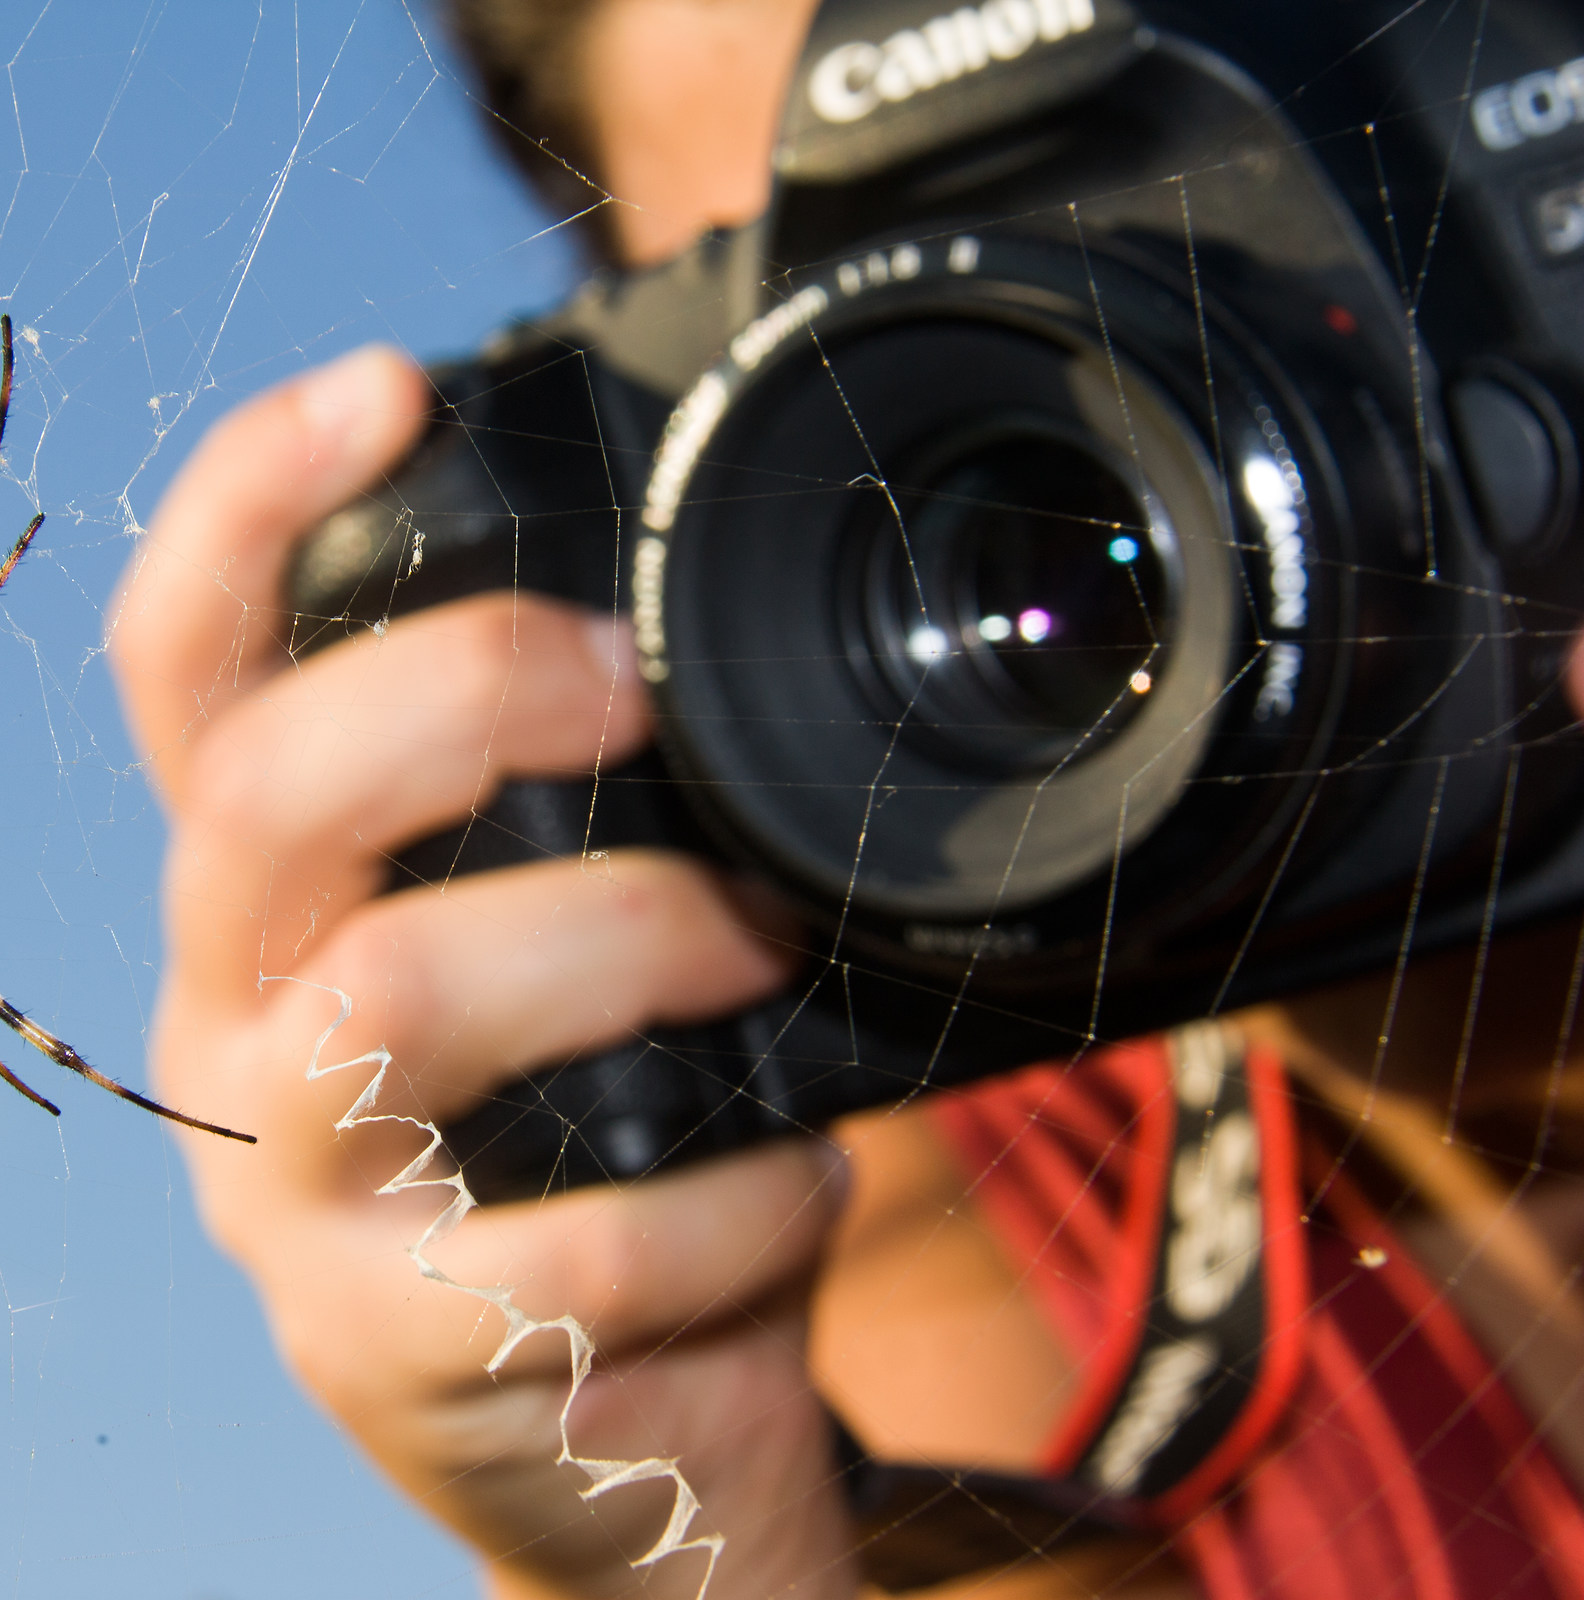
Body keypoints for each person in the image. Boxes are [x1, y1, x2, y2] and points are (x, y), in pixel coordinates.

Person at [106, 3, 1584, 1595]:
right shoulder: (953, 1193)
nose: (1122, 428)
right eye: (878, 273)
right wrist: (699, 1548)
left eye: (1183, 183)